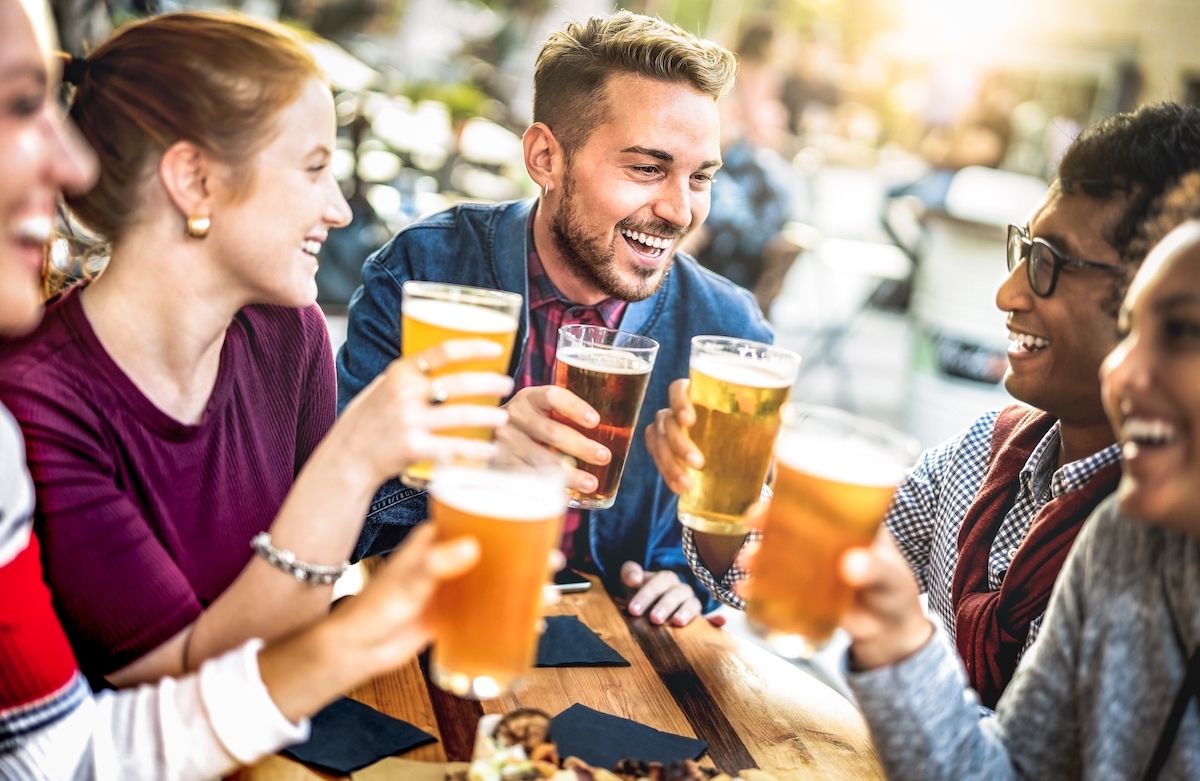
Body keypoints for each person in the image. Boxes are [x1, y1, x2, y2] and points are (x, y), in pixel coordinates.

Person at [0, 0, 499, 777]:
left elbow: (301, 621)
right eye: (313, 167)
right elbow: (183, 680)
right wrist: (352, 459)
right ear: (194, 180)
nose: (338, 208)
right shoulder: (37, 401)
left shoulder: (287, 334)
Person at [654, 103, 1200, 704]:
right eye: (1022, 251)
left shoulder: (1158, 550)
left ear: (1160, 288)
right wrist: (719, 486)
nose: (1006, 293)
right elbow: (797, 581)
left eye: (1048, 263)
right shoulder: (986, 455)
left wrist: (903, 651)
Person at [337, 11, 771, 626]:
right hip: (430, 628)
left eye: (699, 177)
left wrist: (698, 574)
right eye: (647, 168)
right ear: (545, 157)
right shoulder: (425, 271)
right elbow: (337, 522)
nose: (679, 210)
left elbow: (747, 565)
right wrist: (469, 461)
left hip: (621, 661)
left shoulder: (728, 331)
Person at [834, 173, 1200, 780]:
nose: (1124, 372)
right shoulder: (1123, 543)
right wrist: (724, 501)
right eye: (1133, 329)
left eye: (1183, 331)